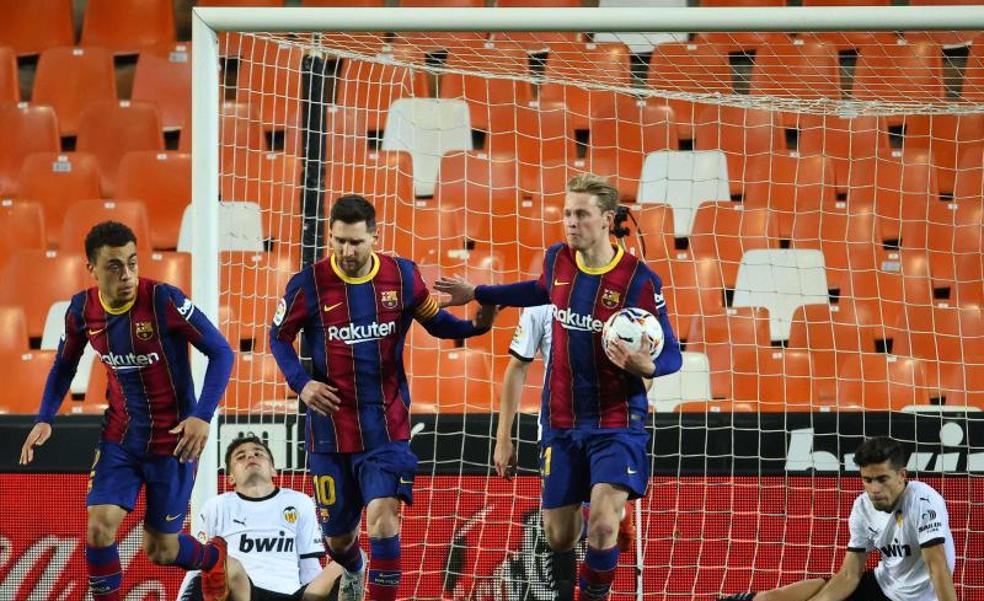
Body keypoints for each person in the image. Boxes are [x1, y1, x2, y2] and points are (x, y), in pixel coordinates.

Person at [436, 173, 682, 601]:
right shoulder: (558, 260)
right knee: (559, 535)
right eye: (567, 213)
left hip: (616, 420)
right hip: (562, 420)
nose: (571, 222)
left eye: (581, 214)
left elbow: (673, 354)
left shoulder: (639, 280)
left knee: (604, 526)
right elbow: (536, 290)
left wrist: (650, 364)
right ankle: (595, 512)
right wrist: (477, 291)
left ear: (607, 219)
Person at [267, 195, 497, 601]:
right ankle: (353, 567)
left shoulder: (402, 276)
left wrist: (476, 325)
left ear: (375, 236)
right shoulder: (308, 284)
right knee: (338, 540)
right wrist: (301, 383)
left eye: (355, 242)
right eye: (338, 241)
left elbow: (437, 323)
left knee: (383, 520)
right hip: (330, 431)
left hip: (386, 425)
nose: (346, 251)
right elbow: (278, 337)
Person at [17, 221, 236, 601]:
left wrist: (202, 415)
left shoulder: (164, 300)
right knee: (99, 528)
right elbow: (65, 365)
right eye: (115, 266)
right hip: (120, 437)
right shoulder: (82, 310)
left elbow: (221, 352)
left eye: (133, 263)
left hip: (174, 442)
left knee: (162, 550)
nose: (128, 274)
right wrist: (44, 417)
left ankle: (214, 556)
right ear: (92, 269)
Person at [496, 304, 645, 601]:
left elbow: (645, 369)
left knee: (602, 527)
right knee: (559, 536)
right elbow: (517, 367)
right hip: (559, 430)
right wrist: (503, 437)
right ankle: (601, 511)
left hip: (609, 428)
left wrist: (638, 379)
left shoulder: (612, 300)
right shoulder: (539, 307)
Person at [718, 436, 958, 601]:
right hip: (883, 584)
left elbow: (937, 567)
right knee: (801, 594)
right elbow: (849, 574)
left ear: (901, 475)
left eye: (882, 479)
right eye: (867, 480)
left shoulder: (923, 500)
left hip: (920, 597)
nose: (874, 488)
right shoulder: (862, 507)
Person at [178, 435, 342, 601]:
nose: (250, 457)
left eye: (258, 454)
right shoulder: (217, 506)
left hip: (292, 595)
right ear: (231, 477)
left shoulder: (299, 501)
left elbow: (309, 566)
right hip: (244, 592)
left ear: (273, 469)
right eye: (240, 457)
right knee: (228, 565)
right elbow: (198, 569)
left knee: (350, 563)